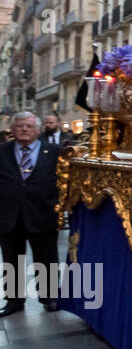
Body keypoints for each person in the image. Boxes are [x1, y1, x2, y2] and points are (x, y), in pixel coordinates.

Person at [1, 113, 63, 315]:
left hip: (42, 214)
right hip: (9, 216)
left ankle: (49, 297)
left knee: (46, 258)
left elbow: (64, 183)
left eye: (29, 126)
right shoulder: (2, 151)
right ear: (12, 129)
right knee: (12, 260)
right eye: (20, 126)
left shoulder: (55, 152)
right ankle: (14, 300)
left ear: (38, 129)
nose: (24, 129)